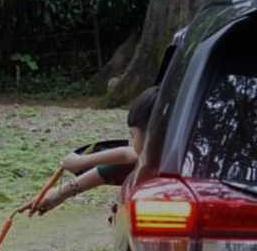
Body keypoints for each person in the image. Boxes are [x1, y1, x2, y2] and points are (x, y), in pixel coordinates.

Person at [18, 85, 157, 216]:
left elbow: (132, 156)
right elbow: (130, 156)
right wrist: (61, 192)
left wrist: (81, 163)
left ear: (152, 132)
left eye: (133, 135)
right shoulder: (165, 153)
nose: (132, 142)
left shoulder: (158, 162)